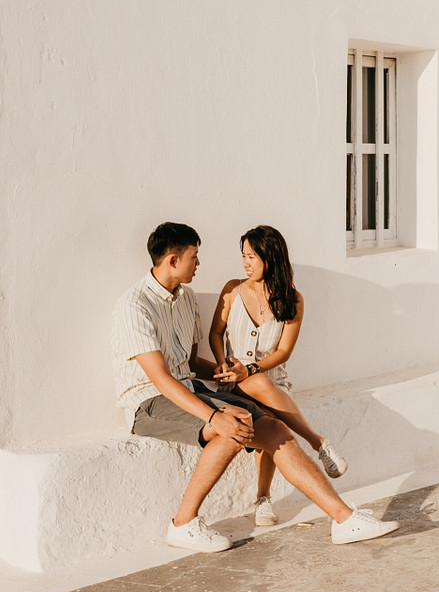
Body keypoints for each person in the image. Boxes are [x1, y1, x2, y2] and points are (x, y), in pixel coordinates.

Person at [111, 222, 397, 552]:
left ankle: (344, 519)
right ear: (173, 260)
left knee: (273, 428)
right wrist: (215, 416)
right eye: (194, 256)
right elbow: (161, 379)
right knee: (232, 424)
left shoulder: (186, 299)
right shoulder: (134, 305)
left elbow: (188, 363)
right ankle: (183, 523)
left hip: (189, 388)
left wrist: (223, 371)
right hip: (149, 401)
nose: (199, 263)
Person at [208, 224, 347, 527]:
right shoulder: (232, 289)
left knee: (266, 402)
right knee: (263, 400)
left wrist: (251, 369)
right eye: (243, 256)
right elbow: (215, 334)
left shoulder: (293, 300)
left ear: (271, 258)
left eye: (252, 257)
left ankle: (262, 499)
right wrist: (222, 365)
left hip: (271, 383)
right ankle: (318, 443)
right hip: (230, 383)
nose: (246, 263)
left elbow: (283, 352)